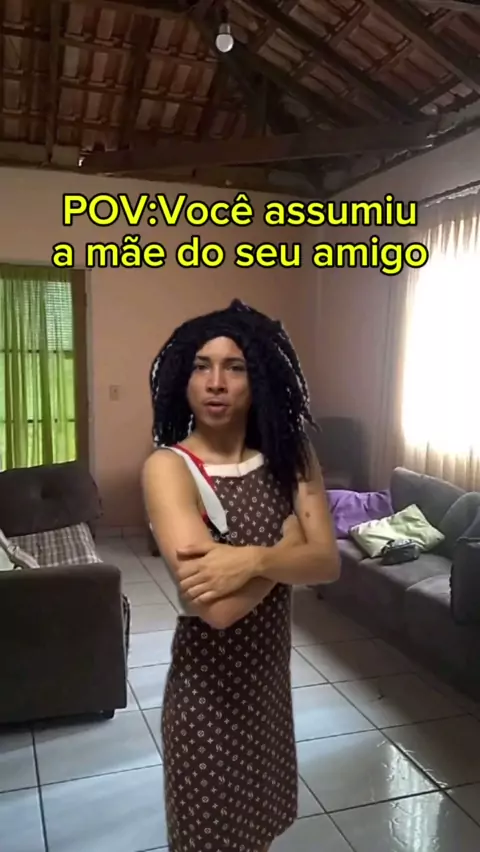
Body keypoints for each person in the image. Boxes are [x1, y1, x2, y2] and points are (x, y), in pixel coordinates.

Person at [141, 299, 340, 852]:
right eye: (201, 367)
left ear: (259, 380)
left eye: (235, 367)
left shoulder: (291, 457)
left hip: (268, 697)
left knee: (259, 836)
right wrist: (290, 548)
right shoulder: (169, 469)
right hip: (205, 706)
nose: (216, 383)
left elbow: (327, 563)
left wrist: (251, 560)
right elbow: (218, 609)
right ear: (183, 379)